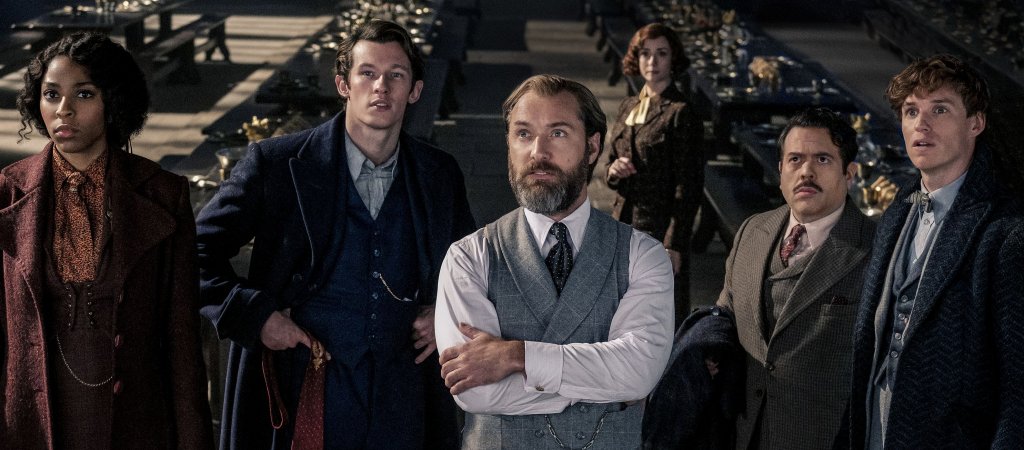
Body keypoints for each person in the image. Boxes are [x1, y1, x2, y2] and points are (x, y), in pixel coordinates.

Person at [196, 20, 474, 450]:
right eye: (368, 73)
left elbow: (471, 270)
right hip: (303, 386)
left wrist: (447, 316)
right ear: (343, 84)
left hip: (403, 395)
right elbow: (192, 250)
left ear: (415, 90)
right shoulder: (277, 164)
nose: (381, 87)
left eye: (396, 75)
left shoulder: (439, 173)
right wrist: (255, 316)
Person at [434, 74, 675, 450]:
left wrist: (516, 356)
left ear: (592, 146)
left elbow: (639, 371)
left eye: (558, 133)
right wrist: (605, 387)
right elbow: (476, 392)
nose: (538, 152)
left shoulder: (643, 255)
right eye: (523, 134)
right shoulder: (468, 257)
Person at [1, 32, 214, 450]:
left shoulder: (163, 194)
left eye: (84, 94)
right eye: (51, 94)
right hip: (30, 425)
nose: (63, 110)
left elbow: (182, 343)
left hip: (137, 425)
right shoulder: (7, 191)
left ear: (114, 101)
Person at [850, 54, 1024, 449]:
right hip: (878, 431)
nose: (921, 125)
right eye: (911, 111)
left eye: (939, 110)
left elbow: (1018, 389)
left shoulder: (1007, 234)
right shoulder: (897, 212)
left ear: (976, 123)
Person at [714, 107, 875, 449]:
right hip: (741, 433)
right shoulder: (752, 230)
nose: (806, 172)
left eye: (822, 159)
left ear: (849, 174)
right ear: (780, 171)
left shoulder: (876, 250)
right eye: (795, 159)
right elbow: (725, 316)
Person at [605, 22, 704, 326]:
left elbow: (689, 186)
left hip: (659, 229)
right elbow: (612, 162)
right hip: (623, 224)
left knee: (660, 316)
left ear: (673, 59)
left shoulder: (681, 112)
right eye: (645, 53)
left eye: (661, 53)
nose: (652, 61)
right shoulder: (629, 106)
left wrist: (674, 243)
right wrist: (614, 170)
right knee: (623, 313)